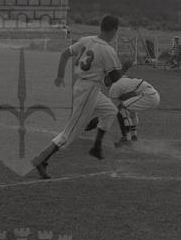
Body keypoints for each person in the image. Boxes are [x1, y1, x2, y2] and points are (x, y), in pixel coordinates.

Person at [31, 14, 122, 179]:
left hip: (82, 85)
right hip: (89, 90)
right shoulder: (108, 50)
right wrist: (125, 67)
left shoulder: (86, 40)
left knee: (110, 110)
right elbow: (114, 78)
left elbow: (65, 54)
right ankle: (41, 159)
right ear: (114, 30)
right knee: (70, 133)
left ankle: (96, 145)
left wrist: (60, 76)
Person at [87, 68, 160, 148]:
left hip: (147, 96)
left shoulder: (115, 86)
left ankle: (127, 139)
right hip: (152, 94)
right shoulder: (123, 79)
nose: (104, 81)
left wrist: (97, 120)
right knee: (130, 111)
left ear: (110, 78)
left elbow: (112, 108)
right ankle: (133, 137)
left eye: (106, 78)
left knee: (123, 108)